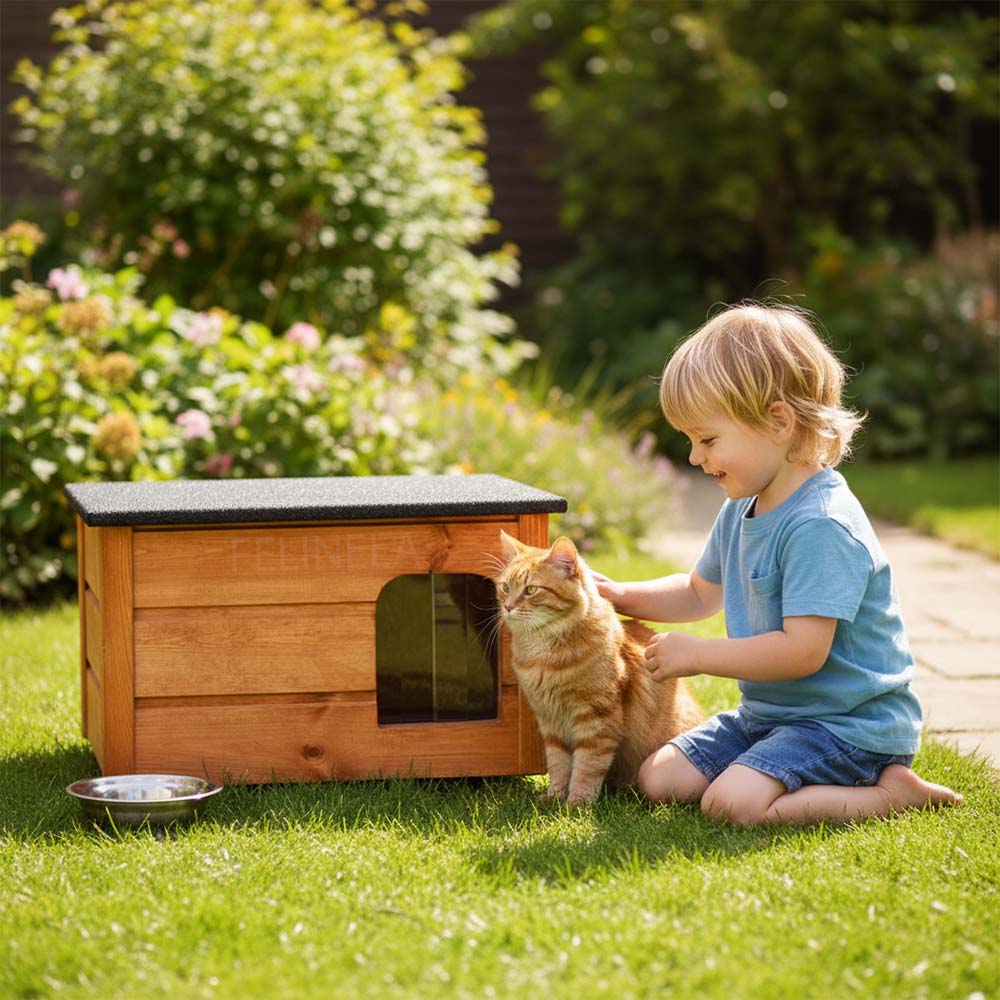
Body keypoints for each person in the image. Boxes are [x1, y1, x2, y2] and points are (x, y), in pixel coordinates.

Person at [594, 302, 962, 825]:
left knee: (731, 805)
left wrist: (699, 654)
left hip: (845, 725)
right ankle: (770, 765)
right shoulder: (741, 507)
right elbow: (699, 592)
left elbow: (802, 652)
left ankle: (891, 793)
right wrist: (618, 594)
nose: (696, 457)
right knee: (659, 778)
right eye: (690, 441)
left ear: (778, 422)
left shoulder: (821, 524)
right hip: (768, 717)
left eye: (708, 440)